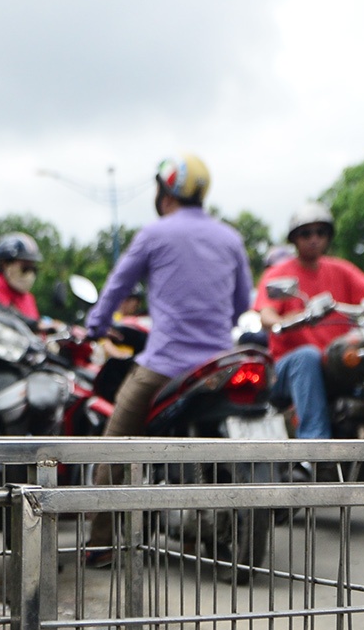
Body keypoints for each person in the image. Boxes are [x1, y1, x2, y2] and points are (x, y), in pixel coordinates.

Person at [84, 154, 253, 557]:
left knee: (115, 445)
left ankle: (102, 544)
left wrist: (95, 325)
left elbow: (116, 287)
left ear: (165, 191)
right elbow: (241, 303)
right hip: (217, 365)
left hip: (164, 365)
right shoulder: (230, 238)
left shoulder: (154, 234)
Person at [254, 202, 364, 440]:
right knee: (308, 356)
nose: (314, 239)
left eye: (320, 232)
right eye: (306, 233)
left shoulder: (341, 270)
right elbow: (266, 314)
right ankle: (315, 445)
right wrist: (281, 320)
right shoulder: (278, 274)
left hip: (335, 361)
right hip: (288, 368)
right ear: (294, 239)